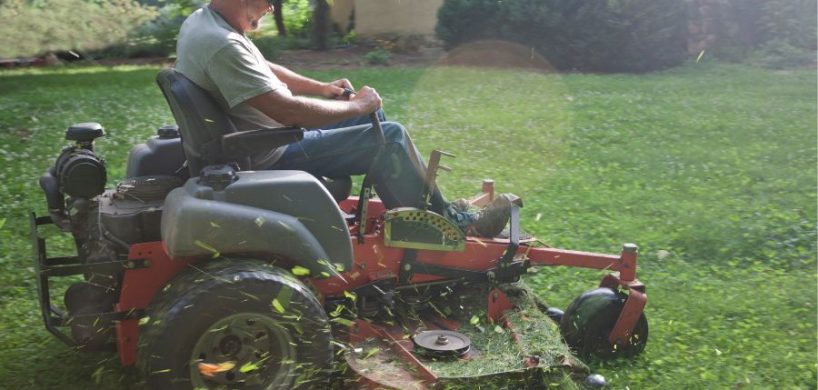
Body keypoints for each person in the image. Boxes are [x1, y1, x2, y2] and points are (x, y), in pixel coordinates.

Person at [174, 0, 513, 237]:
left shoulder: (206, 22)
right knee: (390, 137)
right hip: (270, 152)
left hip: (258, 138)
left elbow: (263, 68)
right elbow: (287, 110)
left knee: (377, 118)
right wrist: (356, 106)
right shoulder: (223, 45)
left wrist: (322, 89)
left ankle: (416, 211)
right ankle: (449, 226)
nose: (272, 8)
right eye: (270, 0)